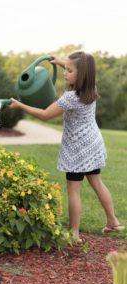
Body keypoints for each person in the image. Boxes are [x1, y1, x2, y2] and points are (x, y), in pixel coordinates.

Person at [9, 51, 124, 243]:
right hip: (93, 143)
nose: (65, 73)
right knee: (97, 182)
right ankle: (113, 221)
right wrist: (61, 62)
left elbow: (45, 114)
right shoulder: (90, 88)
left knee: (73, 190)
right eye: (66, 69)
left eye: (69, 70)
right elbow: (77, 70)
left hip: (78, 148)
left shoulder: (71, 97)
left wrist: (21, 106)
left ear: (80, 75)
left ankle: (74, 232)